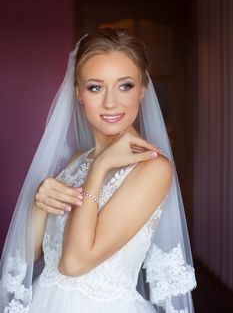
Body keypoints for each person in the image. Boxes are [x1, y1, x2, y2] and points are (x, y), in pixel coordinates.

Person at [0, 28, 196, 313]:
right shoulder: (77, 161)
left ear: (142, 89)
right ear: (79, 93)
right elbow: (29, 257)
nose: (110, 102)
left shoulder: (153, 168)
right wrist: (41, 201)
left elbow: (74, 263)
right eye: (95, 87)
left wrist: (101, 166)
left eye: (125, 85)